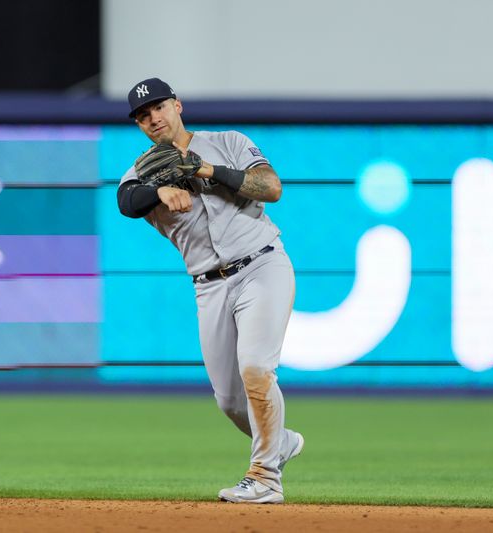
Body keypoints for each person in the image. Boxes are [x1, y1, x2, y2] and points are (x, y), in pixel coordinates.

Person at [117, 78, 304, 504]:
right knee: (231, 402)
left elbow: (271, 188)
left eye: (159, 107)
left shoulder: (228, 142)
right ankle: (281, 442)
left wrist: (206, 170)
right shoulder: (142, 171)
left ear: (177, 105)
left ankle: (265, 478)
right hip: (209, 287)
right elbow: (126, 201)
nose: (153, 118)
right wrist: (160, 189)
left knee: (256, 368)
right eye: (143, 116)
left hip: (262, 266)